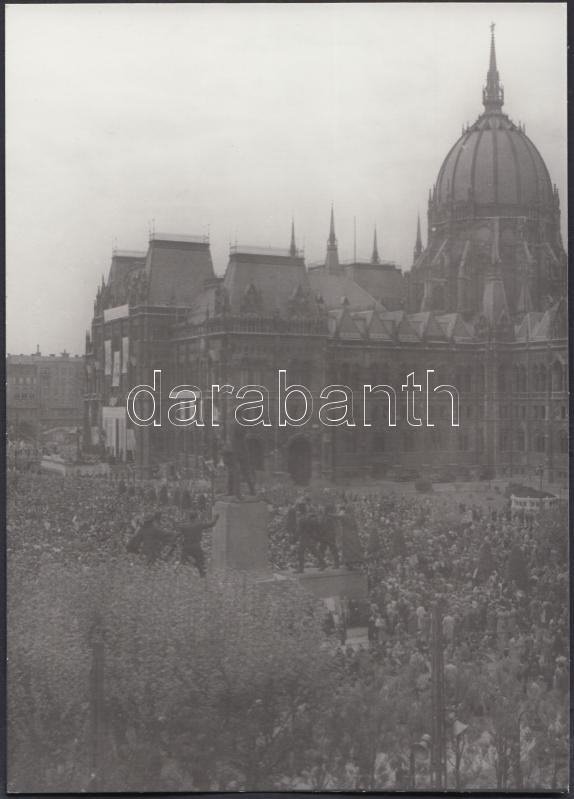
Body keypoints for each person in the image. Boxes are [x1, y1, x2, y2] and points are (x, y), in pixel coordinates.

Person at [177, 511, 219, 576]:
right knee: (201, 563)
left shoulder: (183, 526)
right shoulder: (199, 524)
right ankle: (202, 575)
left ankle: (177, 573)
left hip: (186, 547)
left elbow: (178, 535)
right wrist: (216, 517)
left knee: (182, 562)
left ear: (189, 517)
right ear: (196, 517)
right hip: (196, 547)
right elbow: (211, 524)